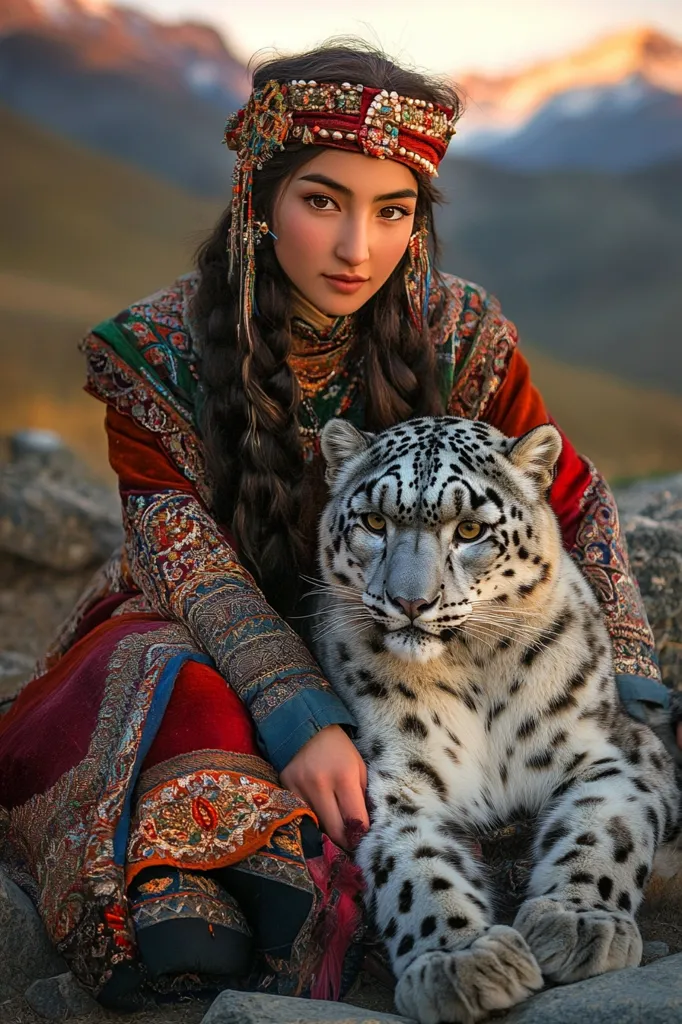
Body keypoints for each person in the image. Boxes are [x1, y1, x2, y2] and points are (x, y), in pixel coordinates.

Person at [0, 41, 673, 1010]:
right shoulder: (151, 351)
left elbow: (568, 493)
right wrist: (300, 711)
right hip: (217, 640)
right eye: (322, 202)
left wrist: (632, 669)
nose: (359, 246)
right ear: (257, 201)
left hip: (409, 643)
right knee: (169, 694)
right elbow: (182, 560)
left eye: (392, 211)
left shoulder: (461, 332)